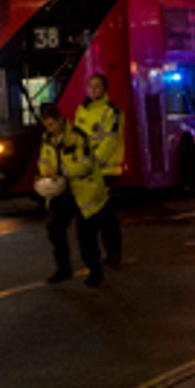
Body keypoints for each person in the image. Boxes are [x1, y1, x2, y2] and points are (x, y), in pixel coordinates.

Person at [38, 108, 107, 287]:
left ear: (61, 120)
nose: (48, 127)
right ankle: (64, 268)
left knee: (86, 237)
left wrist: (61, 171)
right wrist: (46, 174)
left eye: (51, 123)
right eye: (46, 124)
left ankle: (95, 271)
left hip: (84, 192)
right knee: (54, 227)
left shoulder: (78, 136)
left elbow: (85, 165)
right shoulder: (47, 138)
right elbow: (44, 161)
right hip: (62, 191)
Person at [74, 72, 125, 266]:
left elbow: (110, 142)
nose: (94, 89)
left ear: (104, 89)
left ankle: (113, 252)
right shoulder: (82, 111)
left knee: (105, 216)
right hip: (85, 172)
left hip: (105, 172)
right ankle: (92, 255)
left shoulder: (113, 112)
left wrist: (93, 163)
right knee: (86, 216)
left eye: (98, 86)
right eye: (91, 86)